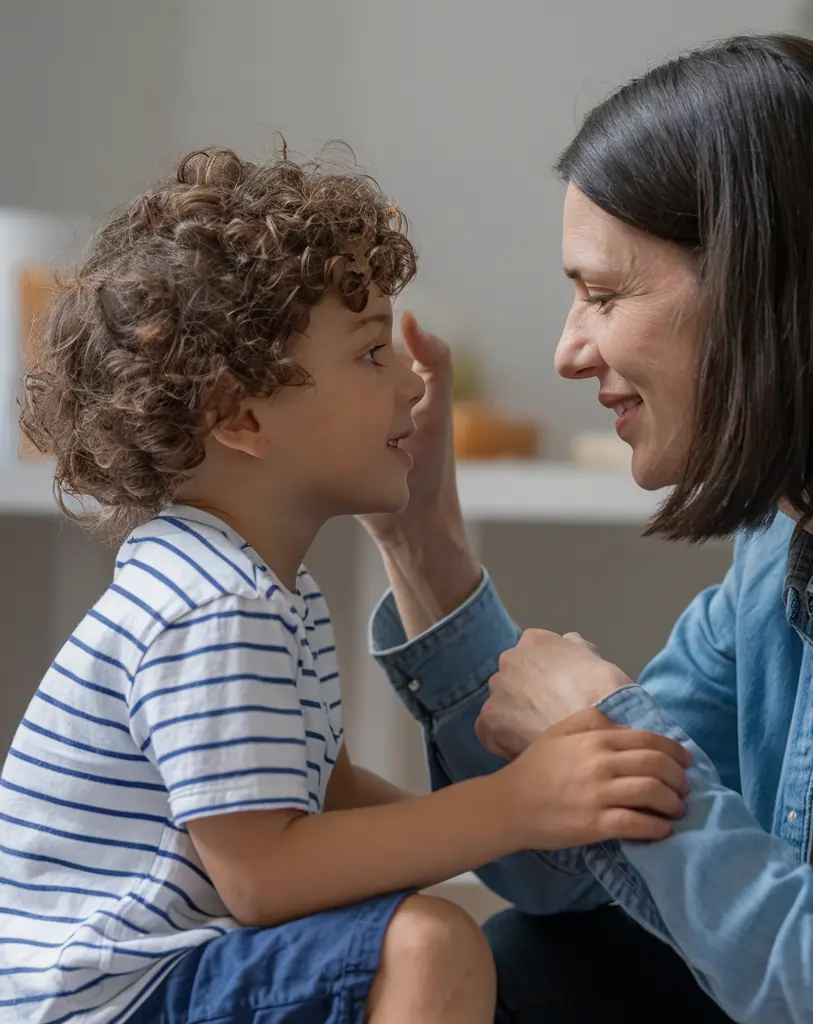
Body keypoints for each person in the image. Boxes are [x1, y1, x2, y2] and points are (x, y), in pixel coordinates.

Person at [359, 34, 813, 1024]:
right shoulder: (786, 542)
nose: (567, 349)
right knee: (532, 957)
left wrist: (612, 717)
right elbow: (556, 872)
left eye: (604, 292)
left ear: (761, 278)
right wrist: (422, 537)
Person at [0, 148, 692, 1024]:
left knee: (435, 931)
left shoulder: (256, 590)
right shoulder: (217, 607)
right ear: (240, 415)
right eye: (371, 353)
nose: (410, 381)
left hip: (158, 980)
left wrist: (524, 832)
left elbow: (322, 801)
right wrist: (516, 805)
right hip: (107, 999)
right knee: (428, 946)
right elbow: (263, 876)